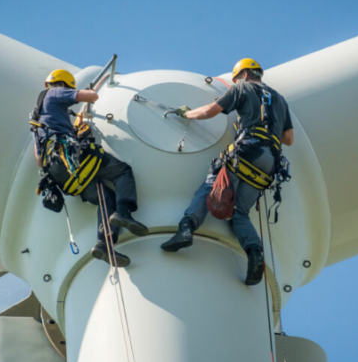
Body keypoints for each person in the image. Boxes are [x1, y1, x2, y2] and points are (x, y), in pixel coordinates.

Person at [161, 58, 294, 285]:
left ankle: (186, 229)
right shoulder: (280, 100)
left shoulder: (241, 88)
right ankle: (255, 253)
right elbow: (288, 139)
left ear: (242, 75)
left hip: (246, 151)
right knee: (239, 213)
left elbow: (210, 111)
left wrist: (186, 114)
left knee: (210, 188)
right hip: (269, 164)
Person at [33, 69, 149, 266]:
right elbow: (91, 96)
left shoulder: (37, 119)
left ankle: (103, 245)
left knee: (106, 197)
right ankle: (124, 212)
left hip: (59, 173)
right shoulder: (55, 93)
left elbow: (38, 159)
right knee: (122, 171)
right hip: (70, 157)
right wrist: (95, 85)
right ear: (63, 84)